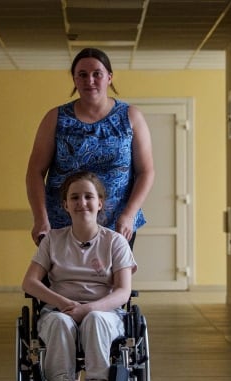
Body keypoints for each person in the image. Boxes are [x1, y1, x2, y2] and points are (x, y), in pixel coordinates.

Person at [21, 171, 137, 381]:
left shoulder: (115, 242)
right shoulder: (52, 240)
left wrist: (88, 308)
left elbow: (123, 291)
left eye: (88, 197)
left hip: (104, 312)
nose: (81, 202)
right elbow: (29, 282)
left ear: (100, 203)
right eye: (74, 197)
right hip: (59, 310)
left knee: (95, 319)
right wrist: (64, 304)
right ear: (65, 205)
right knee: (59, 322)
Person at [26, 47, 155, 247]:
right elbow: (35, 171)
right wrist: (40, 218)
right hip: (63, 226)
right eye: (82, 75)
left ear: (109, 78)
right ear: (75, 80)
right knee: (61, 279)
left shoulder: (131, 117)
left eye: (97, 74)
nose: (90, 80)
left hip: (117, 226)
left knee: (116, 279)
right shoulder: (55, 118)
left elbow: (146, 171)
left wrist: (129, 215)